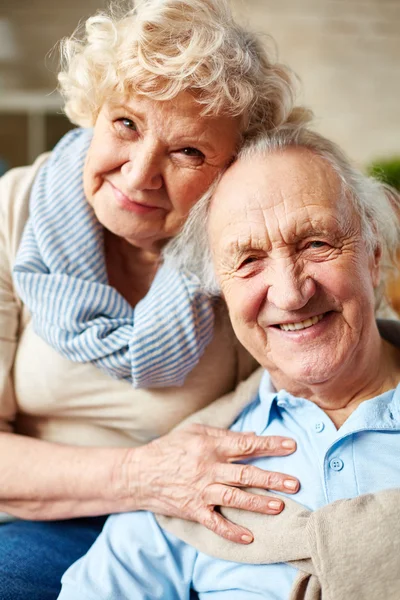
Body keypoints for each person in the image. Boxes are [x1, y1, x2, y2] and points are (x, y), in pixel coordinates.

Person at [0, 1, 312, 598]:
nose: (140, 173)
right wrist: (144, 478)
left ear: (233, 171)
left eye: (188, 151)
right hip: (45, 525)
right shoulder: (13, 209)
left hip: (209, 521)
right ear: (93, 111)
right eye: (125, 124)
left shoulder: (246, 247)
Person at [58, 126, 400, 599]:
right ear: (218, 288)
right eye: (248, 260)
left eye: (316, 244)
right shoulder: (191, 472)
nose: (291, 292)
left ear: (374, 250)